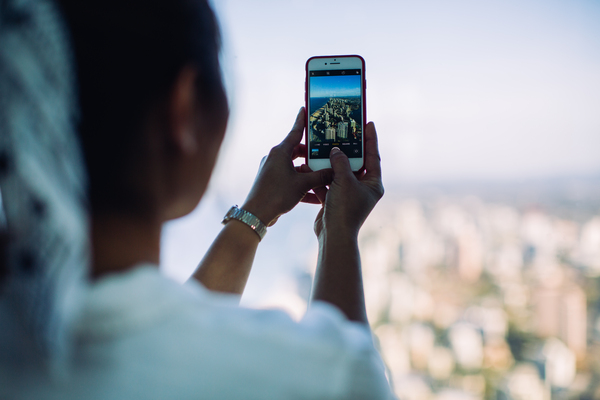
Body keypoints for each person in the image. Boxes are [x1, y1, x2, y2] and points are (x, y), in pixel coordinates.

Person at [0, 0, 393, 398]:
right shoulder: (315, 373)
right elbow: (346, 367)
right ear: (183, 108)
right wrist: (338, 232)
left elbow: (150, 331)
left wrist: (254, 214)